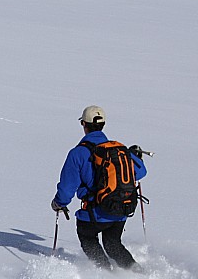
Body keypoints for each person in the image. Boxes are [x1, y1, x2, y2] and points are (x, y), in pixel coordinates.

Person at [51, 105, 147, 270]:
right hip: (121, 210)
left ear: (84, 124)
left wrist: (58, 203)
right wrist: (134, 155)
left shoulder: (77, 154)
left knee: (87, 237)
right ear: (103, 125)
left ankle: (105, 273)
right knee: (113, 244)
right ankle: (138, 273)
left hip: (94, 213)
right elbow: (141, 172)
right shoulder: (119, 149)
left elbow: (67, 189)